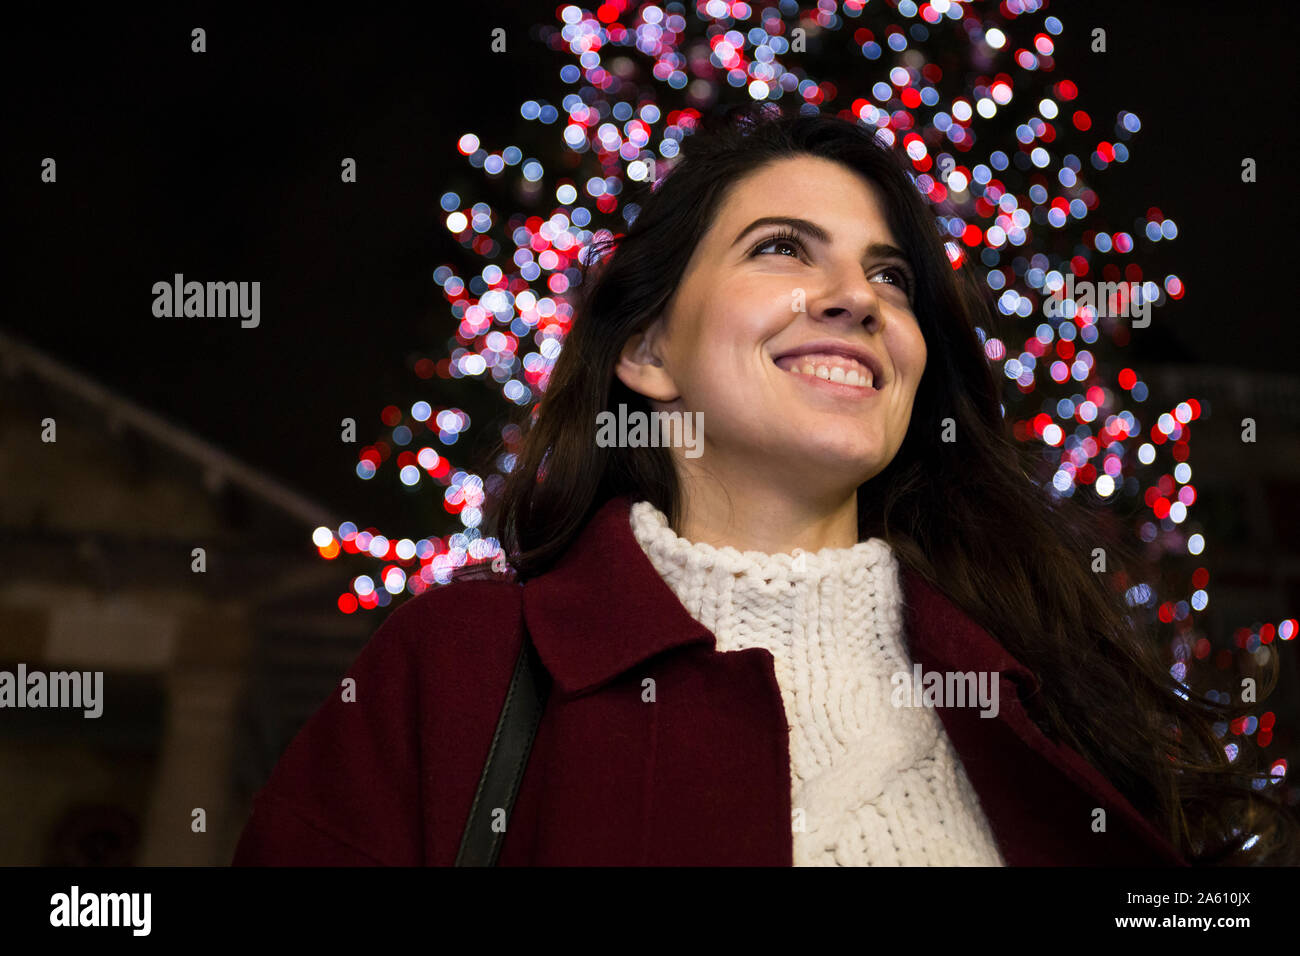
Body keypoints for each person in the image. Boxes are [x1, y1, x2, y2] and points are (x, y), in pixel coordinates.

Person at [232, 105, 1297, 866]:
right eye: (783, 248)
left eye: (890, 275)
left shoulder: (1044, 697)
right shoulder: (461, 665)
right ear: (647, 351)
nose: (855, 298)